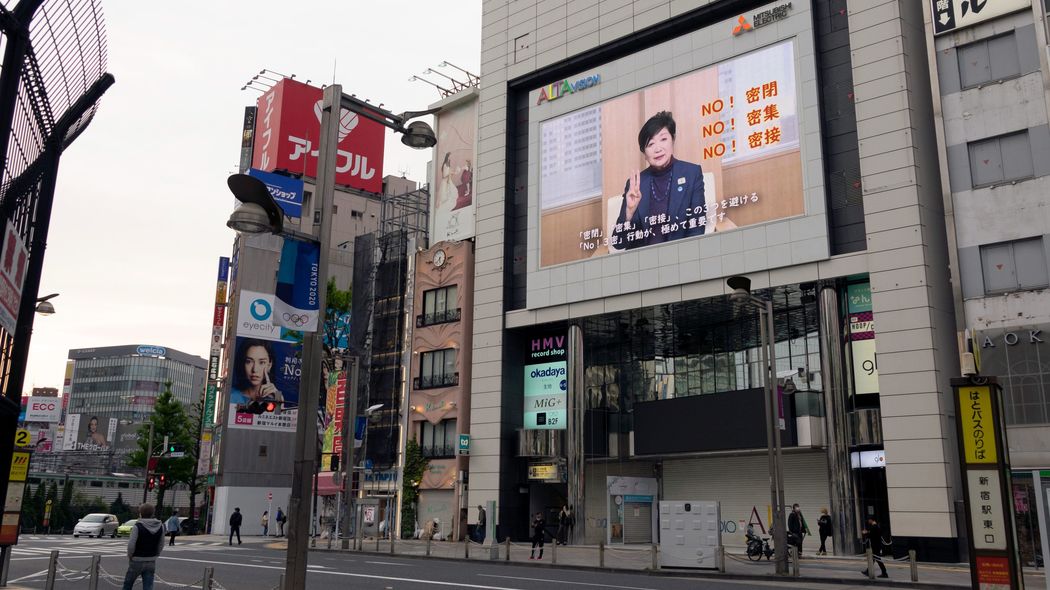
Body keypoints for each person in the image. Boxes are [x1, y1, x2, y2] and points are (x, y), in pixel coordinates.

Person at [611, 111, 710, 251]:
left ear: (673, 140)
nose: (658, 149)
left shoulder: (691, 174)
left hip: (679, 259)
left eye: (663, 139)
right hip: (642, 265)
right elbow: (619, 243)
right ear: (644, 153)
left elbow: (696, 231)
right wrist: (628, 213)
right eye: (650, 144)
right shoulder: (635, 184)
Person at [122, 503, 164, 590]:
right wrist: (156, 554)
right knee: (148, 586)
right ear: (152, 513)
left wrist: (130, 555)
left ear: (140, 513)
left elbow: (131, 545)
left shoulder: (138, 526)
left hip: (137, 559)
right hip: (151, 559)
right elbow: (161, 544)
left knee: (128, 584)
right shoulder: (160, 526)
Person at [230, 339, 283, 407]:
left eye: (261, 362)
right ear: (242, 363)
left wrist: (279, 398)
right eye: (249, 361)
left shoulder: (274, 397)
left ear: (269, 365)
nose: (255, 369)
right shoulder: (231, 396)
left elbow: (279, 415)